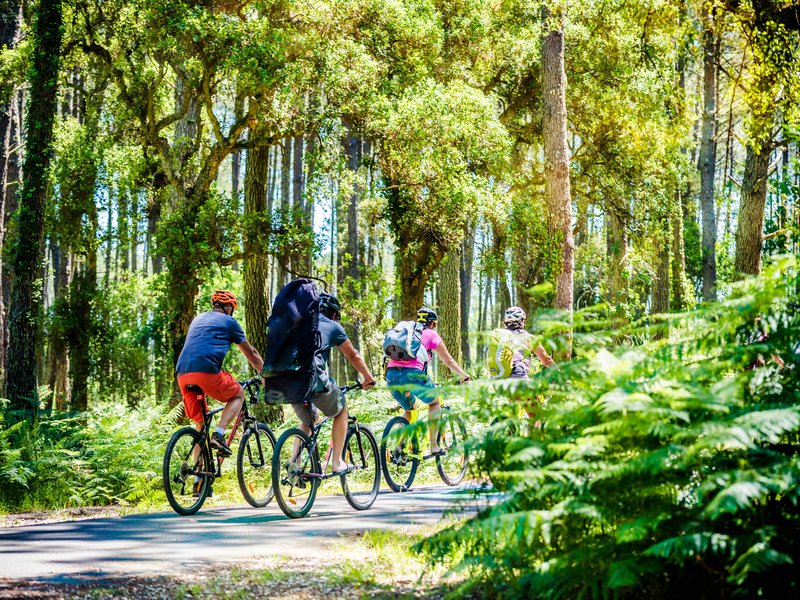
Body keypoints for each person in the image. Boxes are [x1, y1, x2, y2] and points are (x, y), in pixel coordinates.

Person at [291, 292, 376, 474]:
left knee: (309, 419)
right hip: (312, 379)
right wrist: (368, 378)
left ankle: (294, 466)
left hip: (287, 380)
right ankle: (337, 462)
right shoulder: (333, 326)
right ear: (334, 314)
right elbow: (353, 355)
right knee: (342, 407)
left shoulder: (298, 323)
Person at [175, 290, 264, 457]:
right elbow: (251, 354)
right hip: (206, 371)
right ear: (229, 308)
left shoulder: (198, 319)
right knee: (238, 394)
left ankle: (199, 477)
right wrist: (266, 375)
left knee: (200, 426)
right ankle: (219, 434)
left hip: (182, 373)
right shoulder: (230, 322)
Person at [385, 307, 470, 458]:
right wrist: (462, 375)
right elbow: (448, 361)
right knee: (435, 402)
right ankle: (434, 446)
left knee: (410, 410)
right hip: (414, 376)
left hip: (391, 376)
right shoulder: (430, 334)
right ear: (432, 324)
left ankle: (399, 446)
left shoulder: (406, 333)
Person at [488, 306, 557, 423]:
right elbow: (546, 360)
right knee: (536, 417)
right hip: (520, 382)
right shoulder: (529, 338)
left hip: (500, 382)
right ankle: (533, 441)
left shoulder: (500, 337)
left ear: (506, 322)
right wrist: (560, 373)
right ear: (522, 321)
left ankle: (509, 432)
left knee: (514, 412)